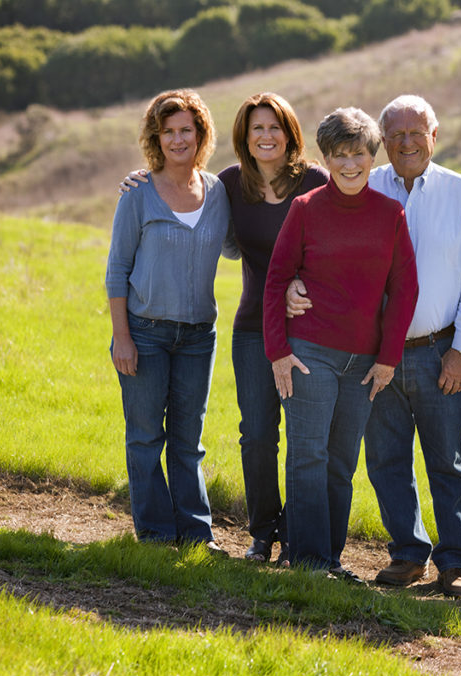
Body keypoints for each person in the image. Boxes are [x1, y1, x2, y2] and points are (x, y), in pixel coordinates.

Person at [287, 95, 461, 598]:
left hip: (438, 350)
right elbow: (310, 233)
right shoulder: (364, 184)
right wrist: (293, 281)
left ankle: (455, 563)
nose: (406, 142)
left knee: (448, 460)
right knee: (385, 460)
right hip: (372, 353)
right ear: (382, 141)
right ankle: (408, 553)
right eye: (395, 134)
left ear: (434, 134)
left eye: (416, 132)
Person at [122, 93, 327, 564]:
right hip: (253, 326)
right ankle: (262, 533)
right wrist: (138, 181)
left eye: (274, 127)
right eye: (256, 128)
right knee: (257, 435)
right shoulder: (231, 184)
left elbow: (335, 244)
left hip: (309, 328)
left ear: (290, 132)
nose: (266, 136)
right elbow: (188, 201)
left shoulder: (315, 182)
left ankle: (297, 536)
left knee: (304, 438)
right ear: (243, 138)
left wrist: (302, 279)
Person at [262, 107, 418, 577]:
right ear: (326, 159)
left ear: (373, 157)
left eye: (358, 154)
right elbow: (276, 281)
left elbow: (405, 288)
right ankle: (308, 561)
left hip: (365, 361)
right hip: (310, 353)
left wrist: (389, 357)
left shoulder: (391, 213)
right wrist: (278, 352)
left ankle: (327, 557)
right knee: (308, 453)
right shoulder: (306, 209)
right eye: (339, 156)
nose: (350, 165)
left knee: (342, 461)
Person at [105, 89, 238, 550]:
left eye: (187, 130)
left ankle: (197, 535)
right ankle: (157, 535)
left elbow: (243, 247)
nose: (178, 140)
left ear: (201, 134)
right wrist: (122, 337)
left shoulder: (218, 192)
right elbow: (117, 270)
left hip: (200, 336)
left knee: (188, 441)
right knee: (145, 438)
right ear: (156, 138)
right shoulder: (139, 192)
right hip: (144, 332)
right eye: (169, 132)